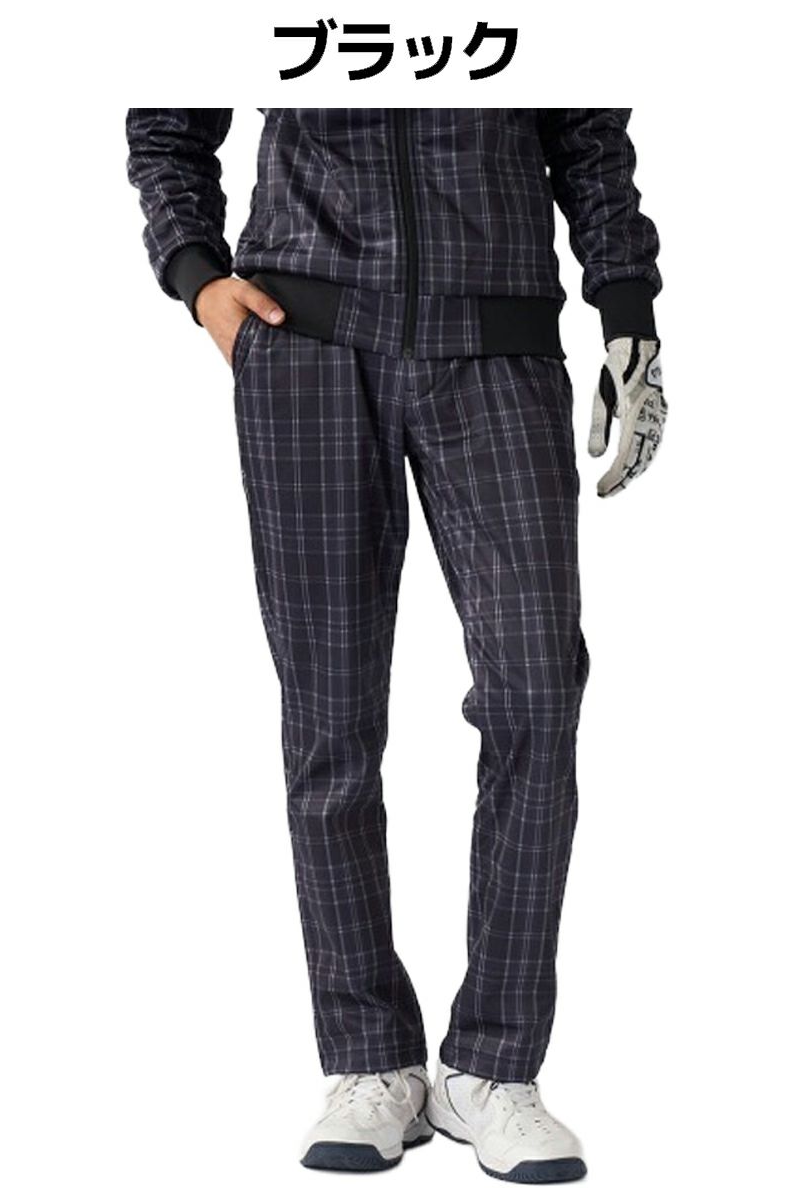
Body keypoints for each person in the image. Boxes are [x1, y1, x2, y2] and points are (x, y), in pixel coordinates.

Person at [126, 108, 666, 1183]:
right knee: (329, 722)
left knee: (536, 692)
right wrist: (197, 276)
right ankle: (368, 1060)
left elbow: (589, 132)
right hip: (307, 343)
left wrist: (628, 311)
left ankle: (494, 1069)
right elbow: (167, 120)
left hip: (498, 348)